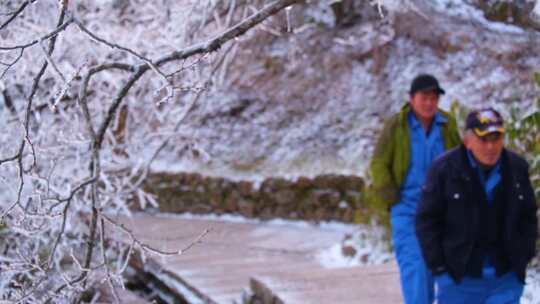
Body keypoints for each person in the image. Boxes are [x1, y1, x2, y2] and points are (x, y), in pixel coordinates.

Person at [416, 108, 538, 303]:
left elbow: (528, 216)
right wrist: (440, 270)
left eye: (496, 138)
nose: (490, 147)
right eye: (483, 139)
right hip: (458, 281)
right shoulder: (443, 170)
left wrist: (523, 259)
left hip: (505, 279)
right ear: (467, 141)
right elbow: (427, 222)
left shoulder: (517, 168)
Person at [368, 74, 461, 304]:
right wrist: (391, 197)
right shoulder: (397, 126)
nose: (429, 103)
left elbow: (459, 160)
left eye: (434, 98)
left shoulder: (447, 124)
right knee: (416, 268)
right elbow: (378, 163)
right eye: (424, 97)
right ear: (411, 99)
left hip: (441, 211)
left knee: (439, 269)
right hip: (407, 209)